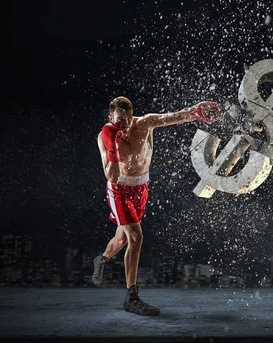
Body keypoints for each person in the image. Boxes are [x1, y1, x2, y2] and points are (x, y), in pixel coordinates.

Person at [92, 96, 221, 316]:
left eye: (128, 118)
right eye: (120, 120)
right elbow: (112, 177)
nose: (125, 124)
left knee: (122, 239)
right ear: (110, 117)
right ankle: (131, 297)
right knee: (136, 236)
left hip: (141, 188)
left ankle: (102, 259)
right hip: (119, 190)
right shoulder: (104, 136)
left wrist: (195, 112)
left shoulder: (145, 123)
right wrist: (113, 148)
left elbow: (174, 117)